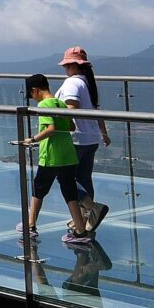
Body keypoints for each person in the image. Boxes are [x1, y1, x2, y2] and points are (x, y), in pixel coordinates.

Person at [18, 72, 95, 245]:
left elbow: (50, 129)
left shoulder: (44, 105)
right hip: (68, 155)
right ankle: (80, 231)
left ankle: (30, 225)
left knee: (38, 190)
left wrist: (32, 140)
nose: (34, 99)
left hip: (51, 156)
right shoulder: (60, 103)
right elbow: (71, 125)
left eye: (32, 95)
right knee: (70, 193)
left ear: (35, 90)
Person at [57, 47, 109, 238]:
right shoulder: (88, 83)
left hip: (76, 138)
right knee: (84, 179)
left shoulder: (72, 84)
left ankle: (93, 208)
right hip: (91, 137)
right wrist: (103, 133)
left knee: (66, 179)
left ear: (71, 65)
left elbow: (71, 109)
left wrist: (59, 130)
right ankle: (86, 218)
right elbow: (96, 111)